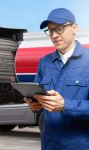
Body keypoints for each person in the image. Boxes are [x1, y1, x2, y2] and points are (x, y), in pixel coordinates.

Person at [24, 8, 89, 150]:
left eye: (59, 29)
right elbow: (39, 96)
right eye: (50, 30)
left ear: (74, 28)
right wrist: (36, 104)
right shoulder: (44, 63)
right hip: (49, 144)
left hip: (80, 145)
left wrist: (65, 105)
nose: (54, 35)